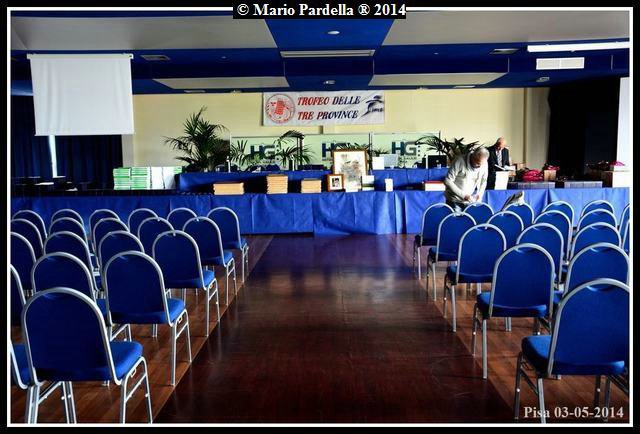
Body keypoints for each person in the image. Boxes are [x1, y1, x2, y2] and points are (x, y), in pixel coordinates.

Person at [443, 147, 489, 212]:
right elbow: (447, 181)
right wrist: (464, 196)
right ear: (473, 156)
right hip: (454, 200)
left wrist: (480, 195)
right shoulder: (459, 160)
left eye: (481, 164)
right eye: (477, 163)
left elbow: (483, 181)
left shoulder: (484, 163)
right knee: (456, 219)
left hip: (469, 201)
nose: (479, 166)